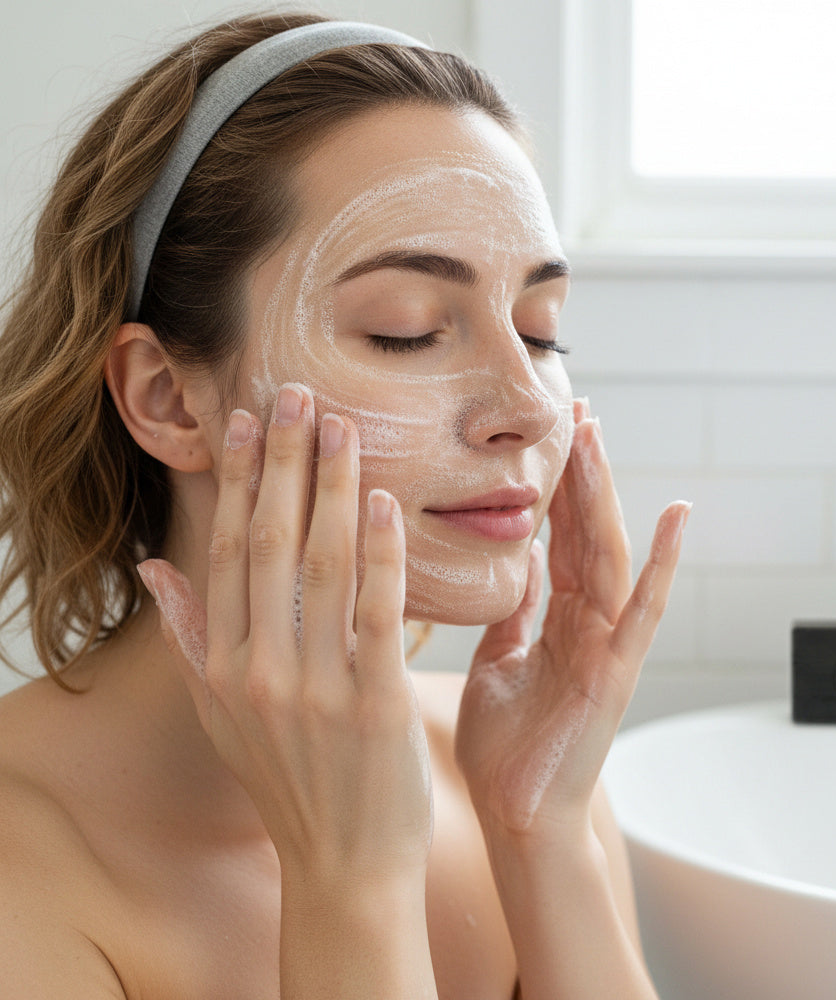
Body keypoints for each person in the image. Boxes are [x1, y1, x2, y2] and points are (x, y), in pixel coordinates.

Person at [0, 11, 689, 999]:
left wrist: (545, 839)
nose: (529, 409)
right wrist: (350, 879)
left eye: (539, 331)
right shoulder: (23, 866)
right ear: (164, 397)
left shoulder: (509, 770)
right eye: (404, 331)